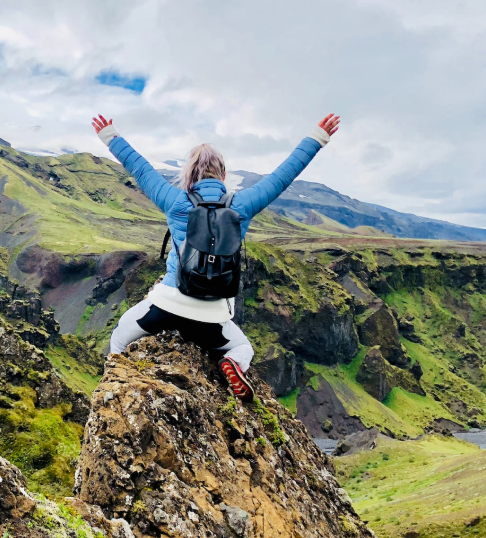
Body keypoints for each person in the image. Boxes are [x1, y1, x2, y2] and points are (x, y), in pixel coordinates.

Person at [93, 112, 340, 402]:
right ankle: (232, 365)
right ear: (223, 175)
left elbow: (140, 168)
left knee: (120, 337)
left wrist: (110, 136)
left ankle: (115, 393)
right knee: (243, 348)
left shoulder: (174, 200)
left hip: (166, 306)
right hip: (212, 318)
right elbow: (283, 176)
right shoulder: (242, 204)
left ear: (189, 175)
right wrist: (317, 137)